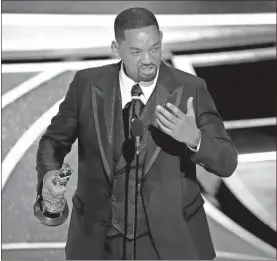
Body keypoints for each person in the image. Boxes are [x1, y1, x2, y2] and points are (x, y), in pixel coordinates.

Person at [36, 7, 238, 260]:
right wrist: (48, 175)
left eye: (154, 48)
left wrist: (194, 139)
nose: (148, 59)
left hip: (172, 247)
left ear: (161, 39)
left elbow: (227, 162)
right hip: (97, 246)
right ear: (116, 48)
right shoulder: (86, 85)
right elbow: (54, 141)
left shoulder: (190, 89)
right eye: (136, 51)